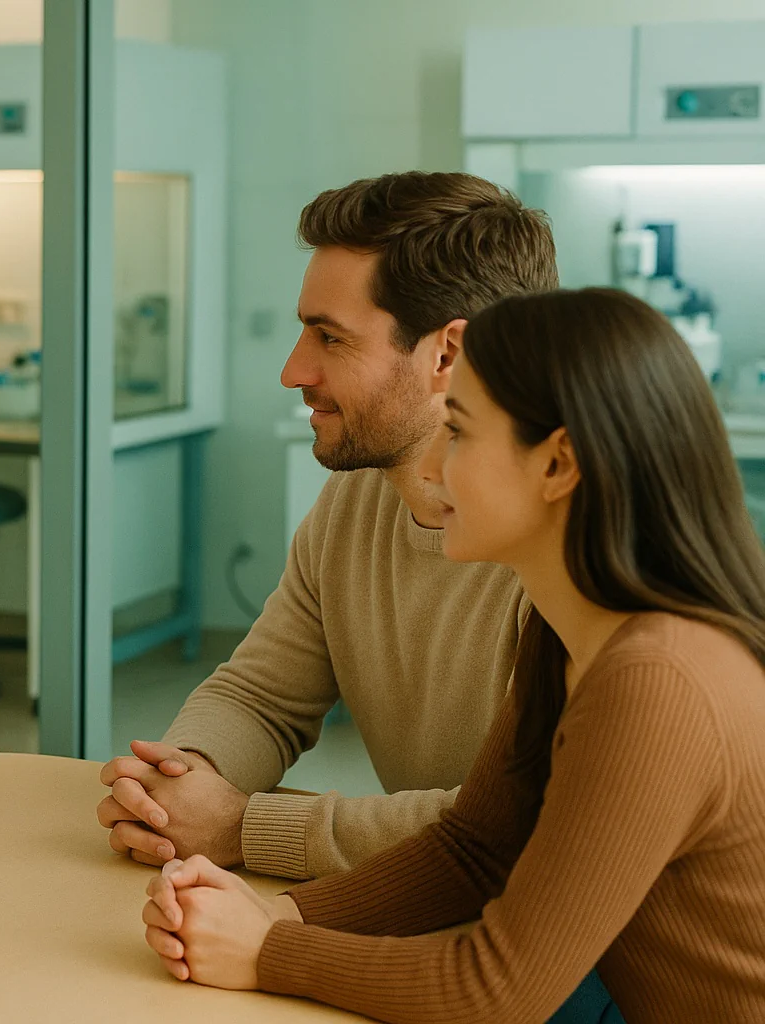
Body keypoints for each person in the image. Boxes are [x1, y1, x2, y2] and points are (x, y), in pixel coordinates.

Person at [142, 288, 765, 1022]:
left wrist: (266, 952)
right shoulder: (569, 632)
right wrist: (277, 916)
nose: (430, 463)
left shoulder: (655, 679)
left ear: (558, 465)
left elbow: (500, 990)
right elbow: (476, 847)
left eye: (459, 433)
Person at [98, 172, 555, 880]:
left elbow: (533, 827)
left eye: (330, 338)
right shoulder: (357, 502)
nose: (292, 370)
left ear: (449, 355)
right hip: (443, 910)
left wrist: (246, 830)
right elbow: (262, 695)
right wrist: (179, 786)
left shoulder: (577, 545)